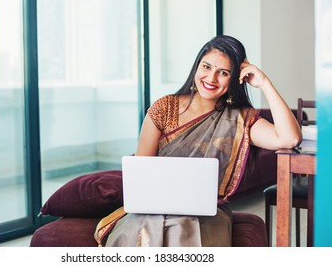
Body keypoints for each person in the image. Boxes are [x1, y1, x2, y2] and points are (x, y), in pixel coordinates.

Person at [94, 35, 302, 247]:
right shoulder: (164, 108)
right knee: (138, 233)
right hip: (153, 207)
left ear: (234, 79)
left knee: (183, 234)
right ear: (196, 66)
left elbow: (290, 138)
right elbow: (142, 171)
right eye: (207, 67)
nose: (211, 78)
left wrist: (264, 83)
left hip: (205, 214)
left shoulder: (240, 119)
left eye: (223, 73)